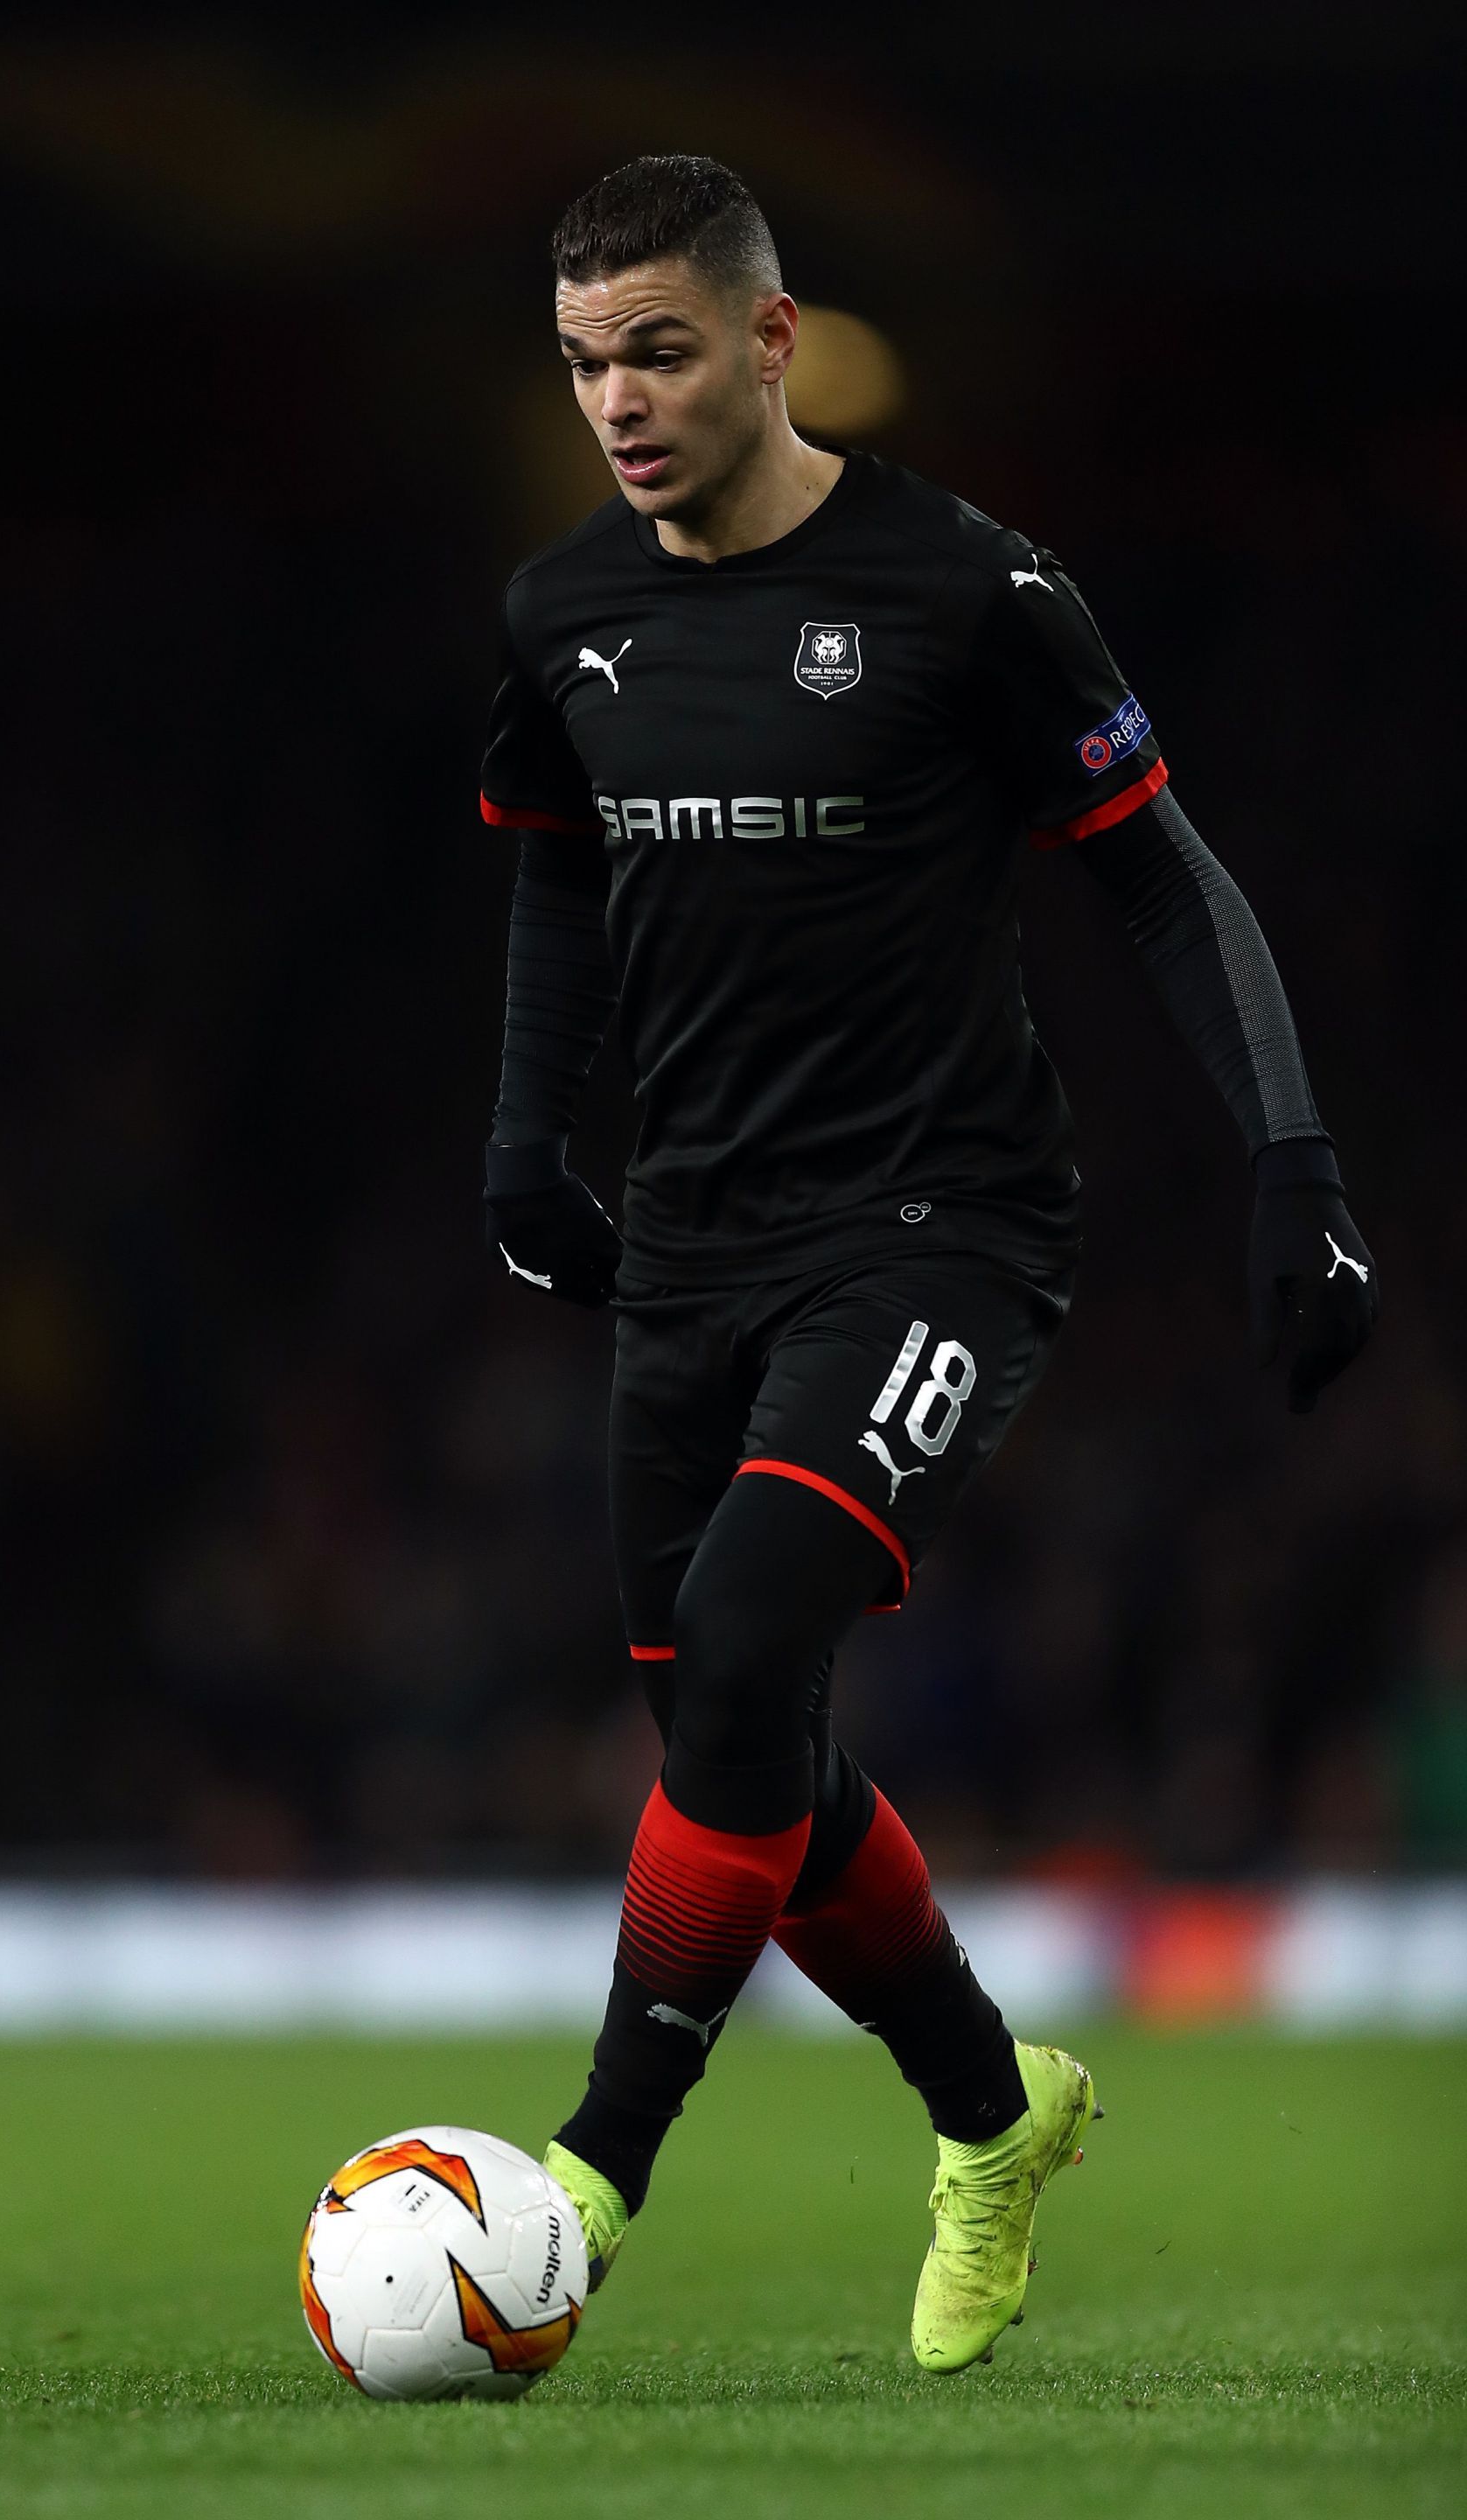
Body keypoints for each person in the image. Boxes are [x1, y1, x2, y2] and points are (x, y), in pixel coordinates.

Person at [477, 154, 1376, 2372]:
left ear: (774, 339)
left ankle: (595, 2163)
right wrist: (522, 1140)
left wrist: (1293, 1157)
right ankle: (996, 2112)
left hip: (937, 1229)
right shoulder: (561, 614)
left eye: (661, 348)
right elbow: (564, 882)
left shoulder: (966, 592)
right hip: (691, 1247)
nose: (620, 397)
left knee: (762, 1625)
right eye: (587, 359)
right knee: (734, 1729)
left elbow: (1166, 879)